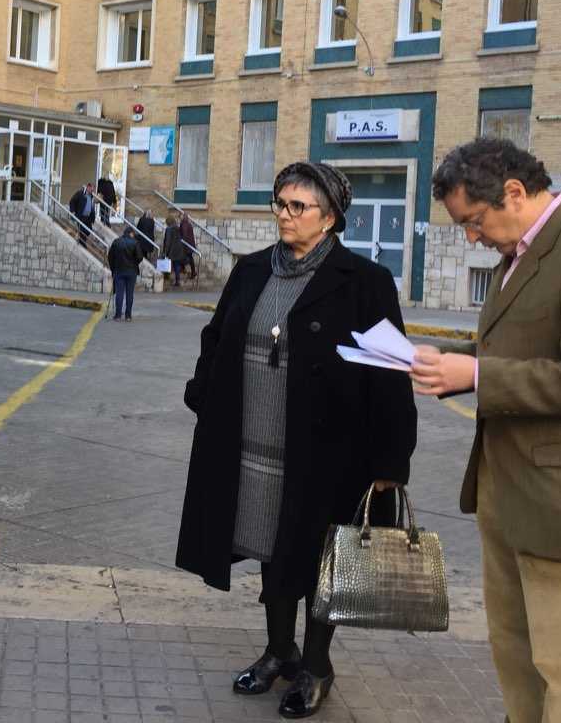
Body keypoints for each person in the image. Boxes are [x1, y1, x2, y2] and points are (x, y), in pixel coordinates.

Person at [410, 138, 561, 723]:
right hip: (511, 488)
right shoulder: (520, 252)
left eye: (473, 221)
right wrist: (453, 362)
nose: (471, 237)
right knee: (518, 654)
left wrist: (478, 373)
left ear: (515, 192)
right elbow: (516, 347)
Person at [176, 161, 416, 720]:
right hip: (254, 446)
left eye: (298, 207)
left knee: (318, 562)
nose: (285, 215)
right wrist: (203, 396)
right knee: (269, 548)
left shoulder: (364, 282)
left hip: (328, 455)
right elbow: (217, 339)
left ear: (330, 217)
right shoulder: (253, 271)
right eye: (280, 204)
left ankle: (316, 665)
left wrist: (391, 461)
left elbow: (390, 374)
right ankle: (278, 651)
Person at [107, 228, 143, 321]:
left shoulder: (116, 242)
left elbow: (110, 256)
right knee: (129, 293)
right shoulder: (135, 243)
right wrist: (134, 263)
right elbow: (140, 257)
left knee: (119, 293)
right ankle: (128, 316)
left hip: (119, 270)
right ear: (131, 233)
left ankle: (118, 315)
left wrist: (113, 268)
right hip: (131, 271)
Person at [68, 182, 96, 247]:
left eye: (93, 190)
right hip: (81, 216)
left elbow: (92, 207)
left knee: (89, 231)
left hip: (88, 217)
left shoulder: (91, 196)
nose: (92, 191)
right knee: (82, 230)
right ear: (88, 187)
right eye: (92, 189)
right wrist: (73, 211)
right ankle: (82, 243)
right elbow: (72, 201)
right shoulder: (80, 193)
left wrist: (93, 218)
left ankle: (82, 241)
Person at [162, 215, 185, 286]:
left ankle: (166, 277)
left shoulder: (169, 229)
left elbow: (168, 241)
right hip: (179, 249)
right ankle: (177, 280)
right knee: (176, 265)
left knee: (166, 263)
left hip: (172, 249)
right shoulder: (177, 228)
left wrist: (165, 251)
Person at [179, 212, 198, 280]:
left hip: (187, 244)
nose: (179, 218)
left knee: (185, 257)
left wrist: (181, 241)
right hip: (190, 244)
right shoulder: (188, 223)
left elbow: (184, 234)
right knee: (190, 258)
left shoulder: (184, 223)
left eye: (180, 216)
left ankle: (186, 270)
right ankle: (191, 271)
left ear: (183, 217)